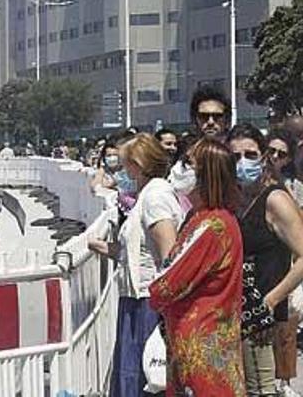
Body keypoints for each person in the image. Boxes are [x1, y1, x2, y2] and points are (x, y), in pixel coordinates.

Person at [87, 133, 183, 397]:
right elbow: (136, 250)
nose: (121, 170)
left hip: (148, 302)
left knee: (146, 375)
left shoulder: (155, 197)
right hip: (135, 298)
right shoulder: (145, 196)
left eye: (124, 163)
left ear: (137, 164)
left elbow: (169, 254)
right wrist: (102, 247)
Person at [149, 138, 245, 396]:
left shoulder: (212, 226)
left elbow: (168, 285)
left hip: (201, 345)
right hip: (200, 341)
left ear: (208, 174)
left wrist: (154, 289)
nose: (179, 167)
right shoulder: (203, 218)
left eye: (188, 162)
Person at [228, 124, 303, 396]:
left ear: (263, 157)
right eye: (235, 157)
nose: (243, 163)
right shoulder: (237, 201)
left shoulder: (275, 200)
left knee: (263, 390)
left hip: (264, 322)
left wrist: (270, 301)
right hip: (240, 319)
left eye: (250, 154)